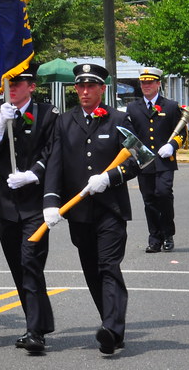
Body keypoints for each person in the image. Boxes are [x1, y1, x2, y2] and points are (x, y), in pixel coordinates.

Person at [42, 62, 138, 355]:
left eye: (90, 87)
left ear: (101, 89)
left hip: (110, 209)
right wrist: (51, 201)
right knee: (92, 271)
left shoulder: (119, 118)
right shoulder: (64, 121)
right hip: (79, 213)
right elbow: (55, 163)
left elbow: (138, 160)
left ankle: (111, 328)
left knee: (108, 267)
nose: (84, 92)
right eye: (80, 87)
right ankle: (110, 323)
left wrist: (109, 177)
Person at [0, 61, 57, 353]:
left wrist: (34, 172)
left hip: (35, 203)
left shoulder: (47, 114)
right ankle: (37, 322)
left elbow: (52, 150)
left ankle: (35, 331)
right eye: (8, 84)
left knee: (31, 263)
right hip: (7, 205)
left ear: (31, 87)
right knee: (18, 267)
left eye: (18, 84)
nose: (11, 89)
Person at [122, 67, 184, 254]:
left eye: (150, 82)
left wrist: (172, 145)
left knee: (163, 194)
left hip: (165, 160)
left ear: (158, 84)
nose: (146, 86)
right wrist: (135, 152)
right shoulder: (133, 107)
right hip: (144, 162)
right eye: (143, 82)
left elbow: (182, 131)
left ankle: (168, 234)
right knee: (149, 200)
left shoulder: (171, 106)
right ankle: (154, 238)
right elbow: (128, 133)